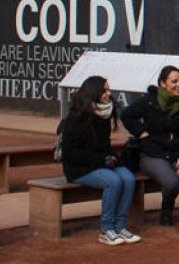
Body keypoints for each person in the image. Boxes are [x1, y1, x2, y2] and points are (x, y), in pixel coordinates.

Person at [58, 75, 141, 245]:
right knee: (113, 181)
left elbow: (104, 146)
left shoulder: (105, 114)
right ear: (94, 92)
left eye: (109, 89)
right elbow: (72, 154)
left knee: (127, 177)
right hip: (79, 168)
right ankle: (107, 229)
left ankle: (120, 226)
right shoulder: (75, 119)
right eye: (105, 90)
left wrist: (113, 159)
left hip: (100, 163)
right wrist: (104, 161)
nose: (109, 94)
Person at [122, 65, 179, 232]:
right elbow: (126, 115)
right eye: (174, 81)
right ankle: (166, 211)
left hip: (178, 153)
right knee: (172, 182)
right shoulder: (149, 101)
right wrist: (140, 132)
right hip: (152, 154)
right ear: (162, 84)